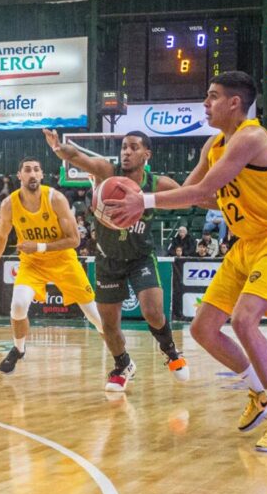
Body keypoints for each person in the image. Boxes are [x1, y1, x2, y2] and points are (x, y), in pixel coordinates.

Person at [104, 71, 267, 452]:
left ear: (235, 103)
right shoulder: (213, 146)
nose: (205, 103)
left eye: (212, 97)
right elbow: (191, 195)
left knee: (245, 320)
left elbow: (204, 189)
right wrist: (141, 192)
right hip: (245, 243)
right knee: (202, 329)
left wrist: (142, 201)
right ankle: (259, 393)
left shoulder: (251, 137)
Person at [45, 128, 188, 390]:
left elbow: (185, 199)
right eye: (123, 147)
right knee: (108, 324)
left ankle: (170, 351)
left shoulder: (155, 184)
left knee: (153, 312)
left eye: (133, 147)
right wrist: (57, 148)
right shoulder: (108, 172)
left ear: (147, 154)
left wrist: (153, 201)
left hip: (140, 256)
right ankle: (123, 365)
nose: (126, 152)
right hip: (108, 258)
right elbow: (78, 157)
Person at [0, 156, 104, 375]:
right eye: (27, 170)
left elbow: (75, 240)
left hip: (63, 260)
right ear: (19, 175)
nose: (32, 173)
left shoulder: (55, 198)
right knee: (18, 305)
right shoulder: (9, 204)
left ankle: (122, 358)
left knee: (95, 316)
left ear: (41, 175)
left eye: (36, 169)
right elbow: (0, 237)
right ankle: (19, 350)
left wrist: (38, 246)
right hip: (33, 264)